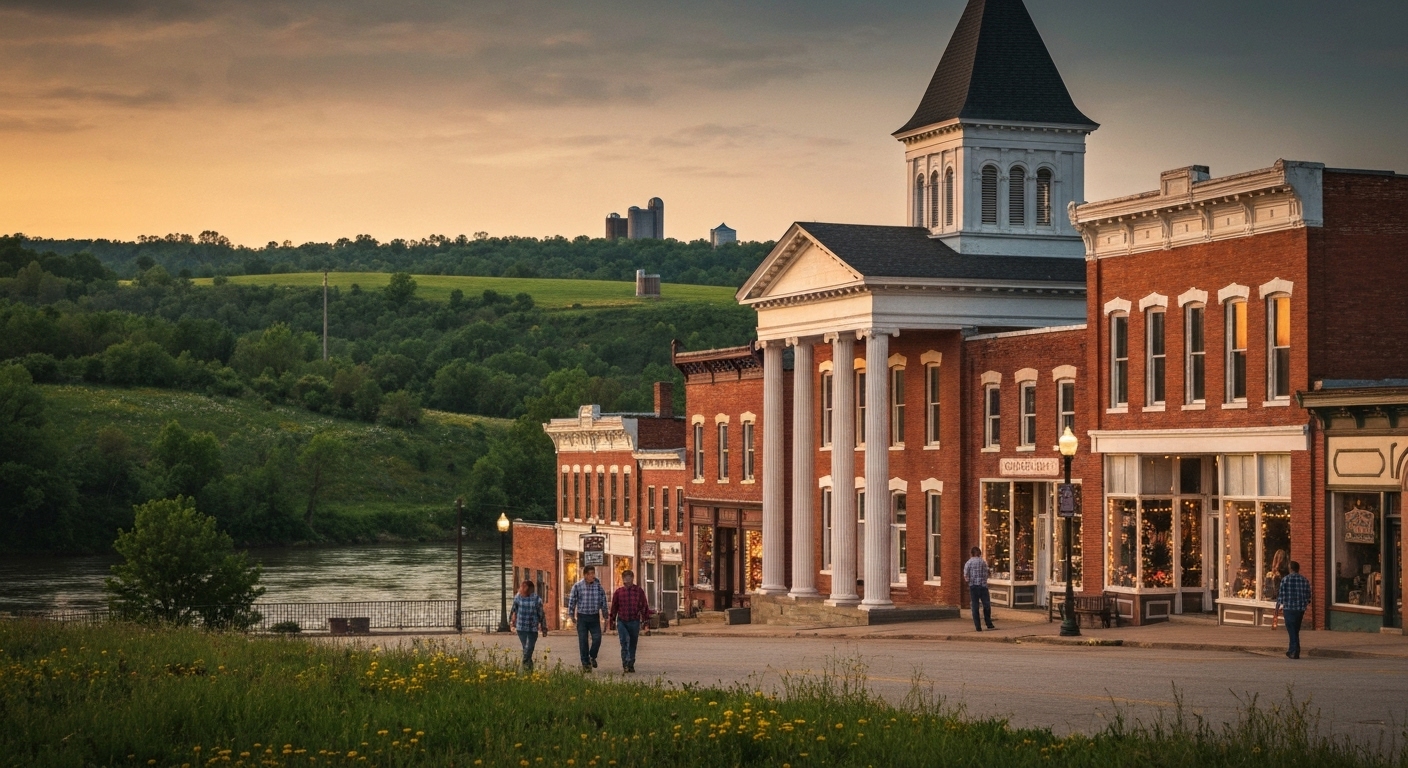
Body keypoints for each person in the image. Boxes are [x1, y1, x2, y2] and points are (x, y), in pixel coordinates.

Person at [609, 569, 651, 673]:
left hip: (634, 621)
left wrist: (645, 623)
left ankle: (631, 663)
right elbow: (614, 607)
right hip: (622, 621)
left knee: (633, 643)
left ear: (632, 578)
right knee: (624, 642)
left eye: (628, 578)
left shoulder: (638, 591)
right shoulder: (619, 592)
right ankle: (625, 663)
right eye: (624, 578)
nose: (626, 581)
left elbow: (644, 607)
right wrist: (612, 621)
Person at [568, 565, 607, 671]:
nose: (592, 576)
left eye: (593, 573)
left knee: (597, 638)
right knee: (583, 641)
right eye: (589, 574)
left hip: (594, 617)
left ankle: (592, 656)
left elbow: (603, 600)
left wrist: (605, 614)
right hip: (582, 617)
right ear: (585, 575)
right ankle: (585, 664)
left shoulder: (598, 586)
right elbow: (572, 601)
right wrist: (571, 615)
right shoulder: (578, 586)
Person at [1275, 560, 1311, 659]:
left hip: (1289, 608)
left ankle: (1294, 651)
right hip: (1300, 609)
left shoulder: (1285, 580)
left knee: (1291, 630)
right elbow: (1308, 595)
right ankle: (1292, 649)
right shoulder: (1304, 580)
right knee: (1295, 629)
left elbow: (1281, 595)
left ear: (1290, 568)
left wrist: (1280, 606)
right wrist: (1304, 604)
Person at [508, 580, 547, 672]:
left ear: (528, 589)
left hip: (532, 628)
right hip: (521, 628)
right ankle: (529, 670)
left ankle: (525, 663)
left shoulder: (537, 599)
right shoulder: (517, 597)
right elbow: (513, 609)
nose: (520, 589)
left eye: (522, 587)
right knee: (526, 648)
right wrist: (511, 621)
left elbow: (541, 614)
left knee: (529, 648)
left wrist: (544, 627)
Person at [963, 546, 996, 631]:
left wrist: (969, 581)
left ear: (972, 553)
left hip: (973, 586)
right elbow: (988, 572)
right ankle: (988, 623)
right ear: (979, 553)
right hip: (983, 586)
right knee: (986, 605)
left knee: (975, 606)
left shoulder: (968, 562)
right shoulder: (983, 562)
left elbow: (966, 575)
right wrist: (984, 579)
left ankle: (978, 626)